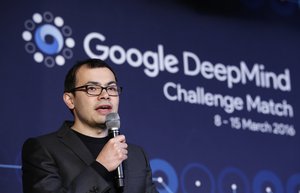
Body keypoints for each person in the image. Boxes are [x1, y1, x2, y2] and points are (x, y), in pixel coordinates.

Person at [22, 58, 158, 193]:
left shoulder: (137, 155)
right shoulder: (43, 149)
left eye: (111, 88)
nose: (105, 95)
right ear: (70, 100)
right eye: (92, 88)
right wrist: (100, 167)